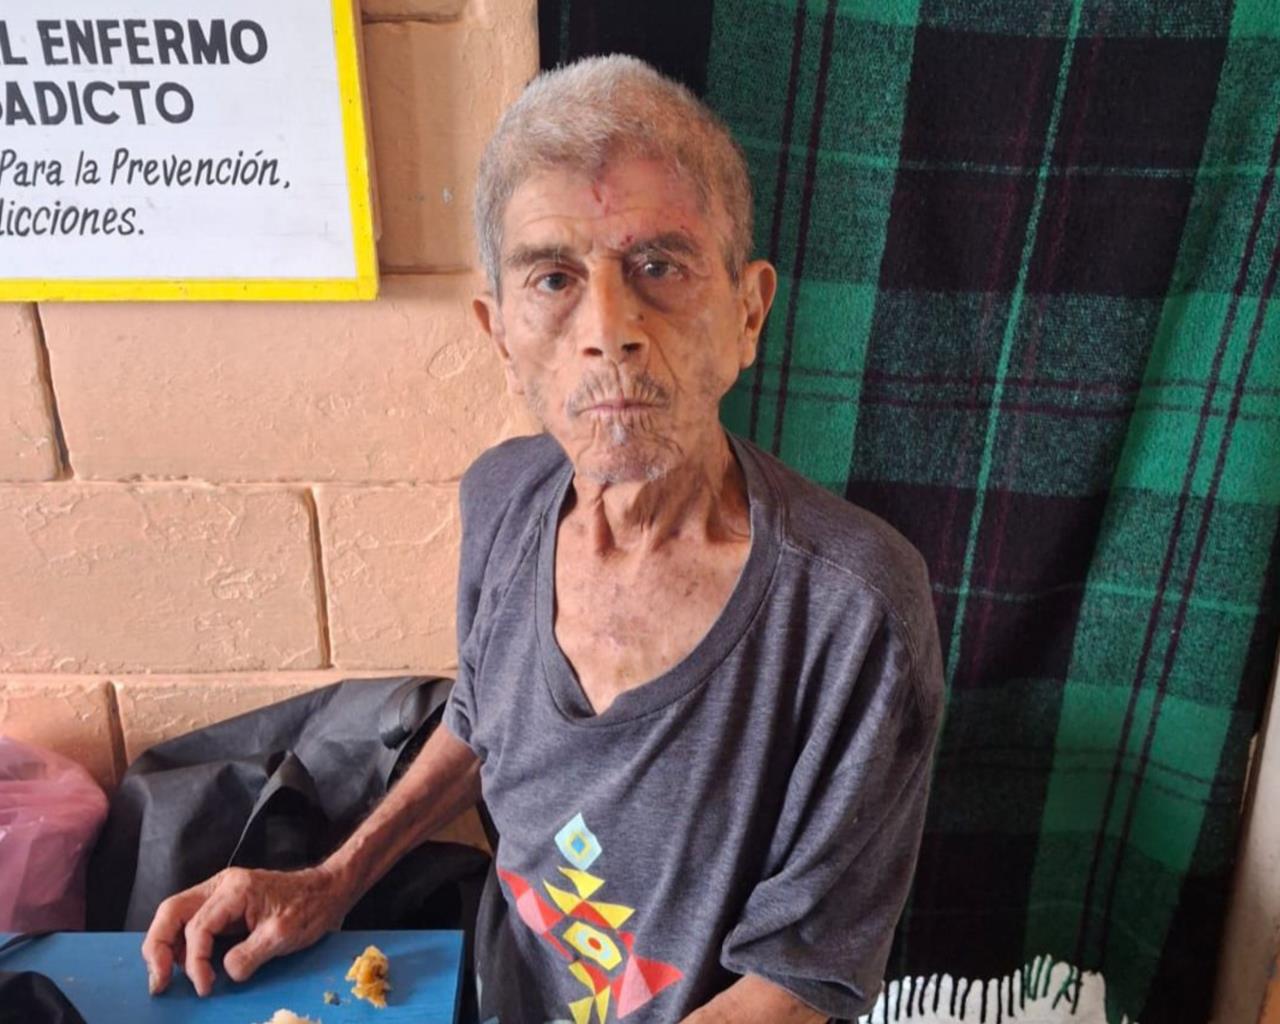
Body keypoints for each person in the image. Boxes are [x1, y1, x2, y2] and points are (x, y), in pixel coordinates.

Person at [141, 55, 944, 1023]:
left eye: (659, 265)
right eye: (554, 278)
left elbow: (795, 981)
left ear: (746, 312)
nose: (608, 328)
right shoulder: (503, 498)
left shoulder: (856, 614)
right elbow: (480, 725)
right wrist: (329, 878)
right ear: (500, 334)